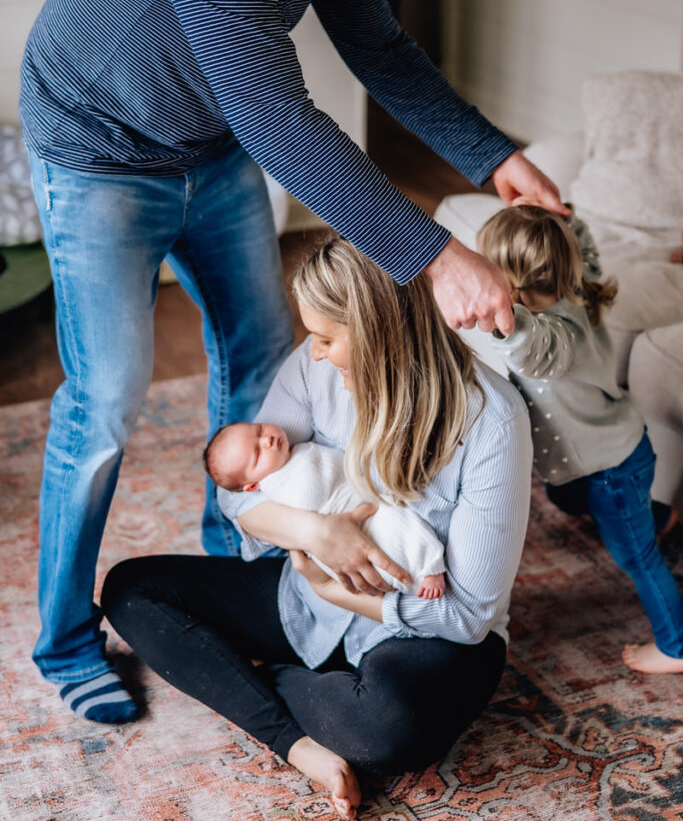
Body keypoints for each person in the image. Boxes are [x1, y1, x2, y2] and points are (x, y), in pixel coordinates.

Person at [21, 0, 563, 722]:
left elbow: (381, 53)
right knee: (107, 398)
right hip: (99, 154)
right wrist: (436, 256)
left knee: (265, 360)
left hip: (211, 144)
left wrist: (492, 155)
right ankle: (66, 641)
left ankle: (246, 563)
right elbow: (279, 119)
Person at [102, 236, 532, 816]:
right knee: (131, 589)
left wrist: (340, 592)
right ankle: (299, 742)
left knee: (389, 731)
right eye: (314, 338)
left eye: (329, 339)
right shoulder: (313, 366)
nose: (317, 354)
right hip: (304, 597)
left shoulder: (492, 419)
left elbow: (470, 616)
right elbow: (240, 492)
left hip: (420, 631)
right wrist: (316, 535)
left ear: (382, 331)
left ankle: (258, 679)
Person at [477, 205, 683, 675]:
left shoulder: (556, 339)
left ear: (509, 283)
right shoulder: (577, 284)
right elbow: (582, 242)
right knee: (563, 493)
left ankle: (676, 645)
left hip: (609, 468)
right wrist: (559, 213)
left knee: (637, 556)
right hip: (612, 452)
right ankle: (661, 516)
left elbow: (528, 345)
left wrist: (495, 314)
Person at [205, 421, 447, 598]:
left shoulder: (289, 453)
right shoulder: (277, 484)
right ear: (253, 485)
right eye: (257, 454)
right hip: (344, 519)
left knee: (400, 522)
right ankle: (426, 572)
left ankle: (424, 573)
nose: (266, 440)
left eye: (258, 431)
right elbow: (310, 496)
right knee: (391, 536)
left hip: (358, 503)